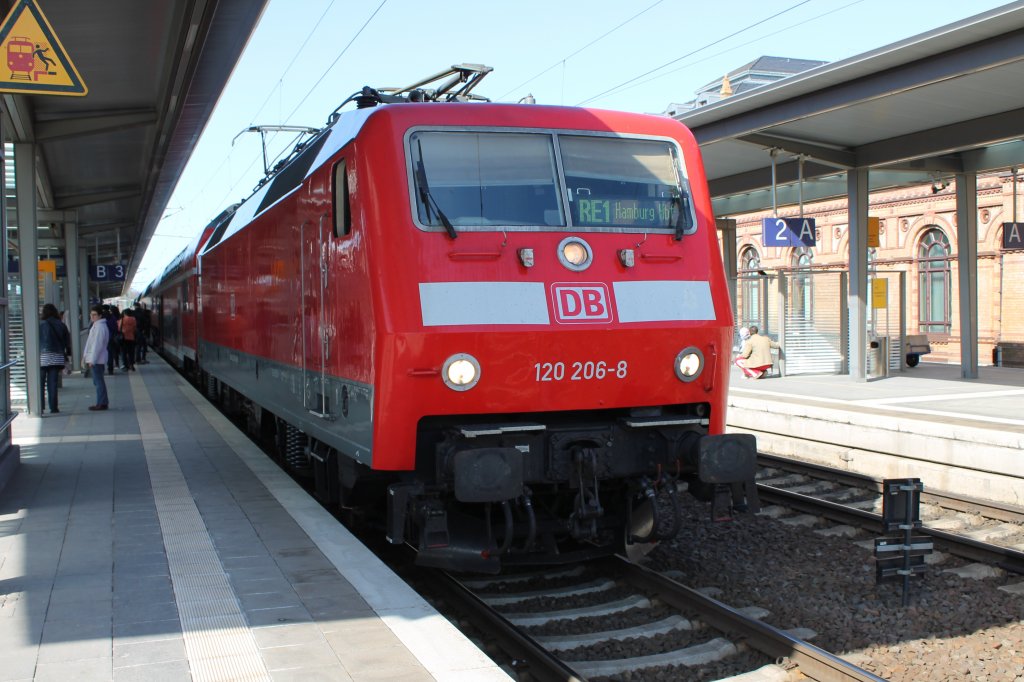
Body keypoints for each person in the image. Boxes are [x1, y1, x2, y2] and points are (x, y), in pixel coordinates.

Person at [39, 303, 70, 414]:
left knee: (40, 384)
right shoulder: (61, 324)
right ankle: (54, 408)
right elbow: (67, 341)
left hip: (42, 358)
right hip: (57, 357)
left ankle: (40, 407)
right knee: (53, 383)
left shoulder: (40, 324)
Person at [83, 306, 110, 411]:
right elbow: (91, 344)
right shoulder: (97, 326)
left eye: (94, 315)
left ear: (100, 316)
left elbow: (97, 346)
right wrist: (85, 357)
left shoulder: (99, 327)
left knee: (98, 382)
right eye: (91, 314)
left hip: (97, 359)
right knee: (98, 381)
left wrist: (92, 360)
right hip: (96, 358)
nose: (92, 316)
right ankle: (102, 402)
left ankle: (102, 403)